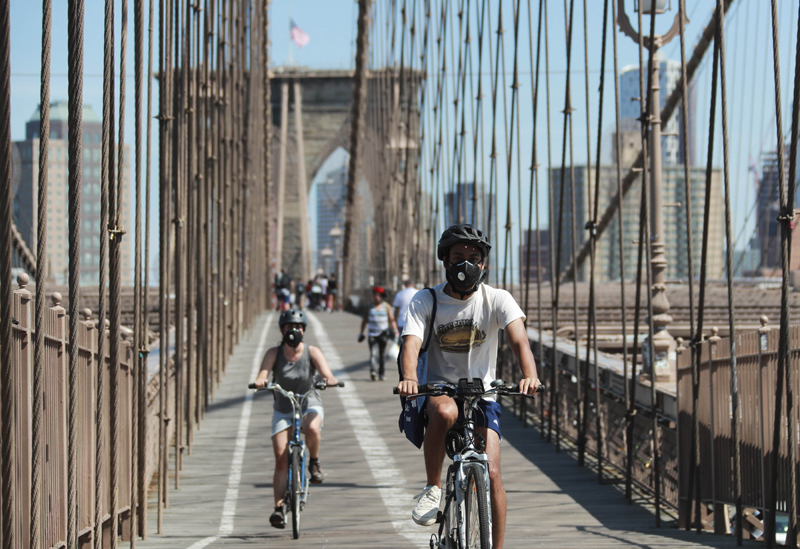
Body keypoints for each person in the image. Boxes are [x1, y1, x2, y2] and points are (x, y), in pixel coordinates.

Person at [396, 224, 541, 549]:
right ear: (444, 260)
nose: (466, 264)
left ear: (484, 264)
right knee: (445, 412)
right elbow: (410, 345)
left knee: (491, 473)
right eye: (458, 256)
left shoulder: (497, 299)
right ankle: (433, 488)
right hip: (439, 390)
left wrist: (529, 374)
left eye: (473, 258)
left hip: (483, 394)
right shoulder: (426, 299)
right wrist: (409, 378)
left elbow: (520, 341)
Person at [252, 309, 340, 529]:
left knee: (312, 427)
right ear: (282, 330)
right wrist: (261, 381)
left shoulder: (312, 351)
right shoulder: (274, 352)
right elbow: (263, 374)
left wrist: (329, 379)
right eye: (289, 327)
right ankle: (279, 508)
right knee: (281, 458)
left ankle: (314, 461)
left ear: (304, 330)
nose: (294, 330)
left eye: (298, 327)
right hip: (283, 409)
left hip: (309, 403)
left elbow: (327, 374)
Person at [358, 286, 399, 381]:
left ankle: (381, 373)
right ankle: (373, 371)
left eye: (378, 295)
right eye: (375, 295)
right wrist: (361, 333)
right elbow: (364, 321)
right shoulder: (369, 307)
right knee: (373, 354)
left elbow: (391, 319)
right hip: (372, 334)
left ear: (381, 297)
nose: (376, 297)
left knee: (382, 354)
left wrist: (395, 330)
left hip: (383, 334)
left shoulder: (386, 306)